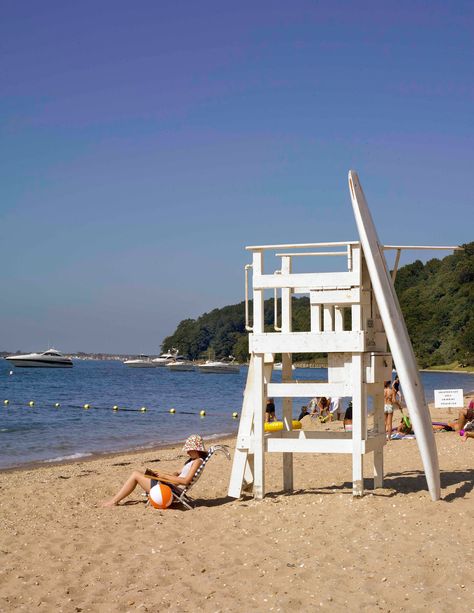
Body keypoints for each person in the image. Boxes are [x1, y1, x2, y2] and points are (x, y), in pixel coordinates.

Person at [101, 434, 207, 507]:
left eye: (189, 449)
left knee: (135, 475)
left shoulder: (197, 461)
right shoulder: (192, 460)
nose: (187, 451)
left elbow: (185, 481)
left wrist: (164, 477)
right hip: (170, 486)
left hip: (170, 492)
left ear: (196, 449)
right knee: (144, 473)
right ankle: (114, 500)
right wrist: (162, 475)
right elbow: (178, 473)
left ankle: (113, 501)